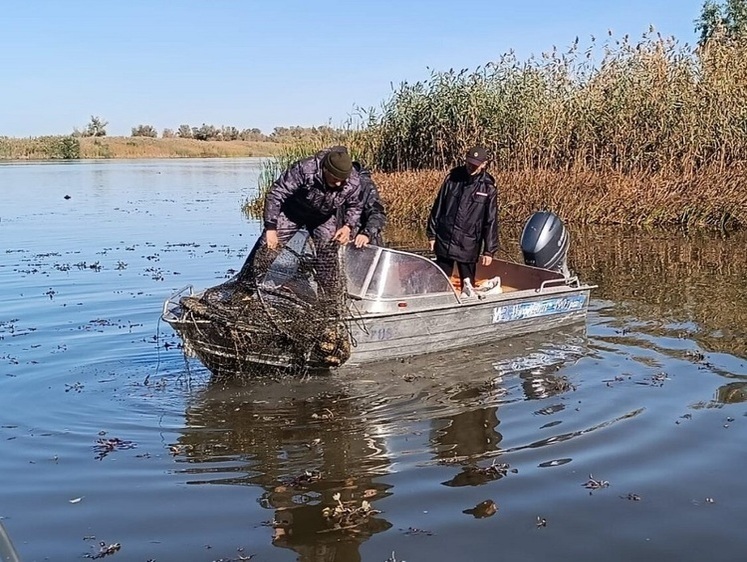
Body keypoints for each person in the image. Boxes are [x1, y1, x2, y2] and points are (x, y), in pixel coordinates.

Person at [241, 146, 364, 296]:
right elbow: (276, 193)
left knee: (328, 255)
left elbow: (356, 205)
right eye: (335, 178)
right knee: (266, 247)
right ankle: (243, 291)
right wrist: (271, 228)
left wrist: (347, 226)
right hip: (293, 213)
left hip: (323, 218)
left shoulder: (353, 180)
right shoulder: (305, 168)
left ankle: (330, 301)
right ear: (325, 169)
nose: (339, 184)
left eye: (342, 180)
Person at [426, 145, 499, 291]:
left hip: (468, 244)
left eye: (476, 165)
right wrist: (431, 234)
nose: (471, 167)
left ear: (484, 164)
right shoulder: (452, 179)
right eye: (469, 163)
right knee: (439, 284)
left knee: (468, 286)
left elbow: (491, 221)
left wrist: (489, 250)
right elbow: (438, 206)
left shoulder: (488, 187)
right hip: (445, 239)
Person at [338, 161, 387, 248]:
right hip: (339, 243)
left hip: (364, 246)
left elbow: (377, 213)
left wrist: (366, 234)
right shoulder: (329, 183)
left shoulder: (365, 185)